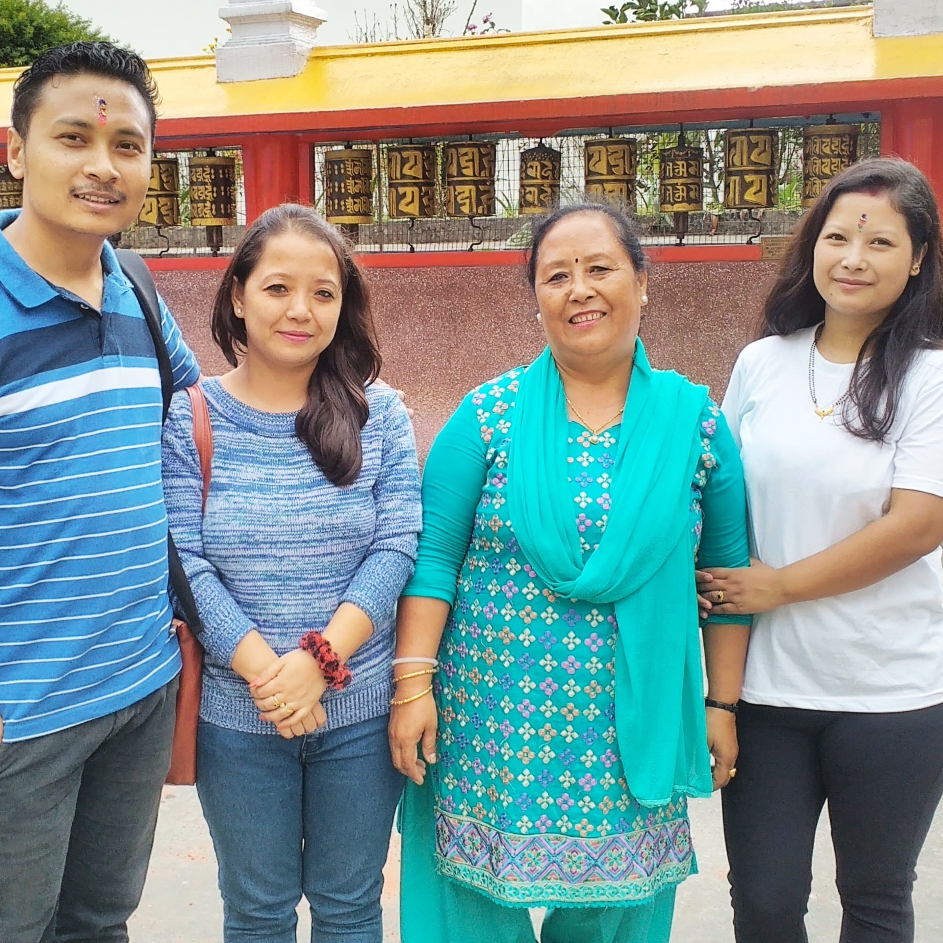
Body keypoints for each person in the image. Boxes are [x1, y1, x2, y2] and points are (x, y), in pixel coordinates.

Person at [389, 202, 752, 943]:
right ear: (537, 299)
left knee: (617, 910)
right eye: (556, 275)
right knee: (471, 903)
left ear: (641, 283)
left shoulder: (697, 425)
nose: (577, 289)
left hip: (630, 731)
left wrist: (721, 706)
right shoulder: (487, 417)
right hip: (488, 726)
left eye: (598, 269)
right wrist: (412, 686)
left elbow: (725, 579)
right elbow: (431, 561)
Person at [697, 158, 943, 943]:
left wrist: (780, 587)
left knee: (874, 899)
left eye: (879, 241)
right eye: (836, 235)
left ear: (917, 258)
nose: (852, 257)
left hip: (892, 692)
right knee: (763, 901)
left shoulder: (932, 376)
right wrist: (718, 692)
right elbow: (716, 505)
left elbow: (916, 523)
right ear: (811, 248)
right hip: (766, 691)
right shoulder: (762, 362)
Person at [161, 203, 422, 943]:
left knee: (348, 906)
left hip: (359, 715)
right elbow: (186, 560)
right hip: (236, 718)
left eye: (323, 292)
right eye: (277, 288)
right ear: (237, 295)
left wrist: (319, 661)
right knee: (257, 911)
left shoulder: (382, 414)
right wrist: (268, 676)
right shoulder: (191, 417)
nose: (300, 310)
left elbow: (397, 544)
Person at [0, 43, 201, 943]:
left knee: (98, 920)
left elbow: (202, 422)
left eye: (126, 147)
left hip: (137, 686)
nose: (100, 166)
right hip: (19, 714)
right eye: (71, 137)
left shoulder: (139, 288)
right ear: (16, 150)